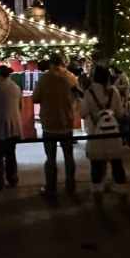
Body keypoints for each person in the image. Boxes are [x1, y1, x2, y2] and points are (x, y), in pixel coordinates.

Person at [31, 52, 80, 198]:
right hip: (66, 121)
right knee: (69, 155)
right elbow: (76, 97)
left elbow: (35, 98)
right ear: (62, 62)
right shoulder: (71, 78)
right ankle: (70, 184)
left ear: (50, 63)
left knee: (50, 157)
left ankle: (51, 187)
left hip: (49, 122)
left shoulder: (44, 79)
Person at [81, 65, 128, 206]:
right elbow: (120, 113)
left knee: (96, 168)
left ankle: (98, 198)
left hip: (97, 135)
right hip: (113, 134)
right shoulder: (113, 91)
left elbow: (83, 113)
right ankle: (122, 196)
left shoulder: (89, 92)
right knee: (117, 165)